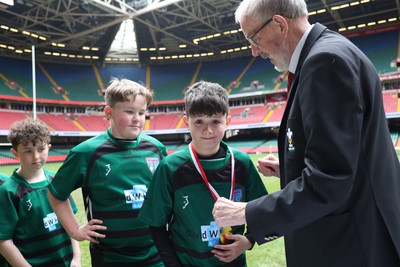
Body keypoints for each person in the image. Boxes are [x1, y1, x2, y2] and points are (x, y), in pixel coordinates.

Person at [212, 0, 400, 266]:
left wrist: (247, 212)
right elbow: (349, 156)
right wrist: (292, 166)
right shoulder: (331, 50)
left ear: (279, 24)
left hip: (349, 246)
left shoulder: (324, 62)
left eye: (253, 37)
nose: (254, 51)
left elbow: (330, 180)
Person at [139, 81, 268, 267]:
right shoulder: (170, 168)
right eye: (199, 121)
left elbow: (262, 212)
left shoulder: (242, 163)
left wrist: (249, 240)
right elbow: (156, 226)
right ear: (186, 122)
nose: (208, 130)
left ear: (228, 122)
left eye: (215, 121)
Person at [48, 78, 167, 267]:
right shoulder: (86, 153)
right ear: (108, 113)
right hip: (110, 257)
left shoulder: (156, 149)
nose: (137, 118)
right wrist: (75, 230)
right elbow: (56, 194)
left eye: (142, 112)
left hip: (156, 255)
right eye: (129, 111)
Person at [0, 119, 81, 267]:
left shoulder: (57, 180)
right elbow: (4, 240)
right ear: (15, 153)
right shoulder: (8, 191)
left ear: (49, 148)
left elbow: (71, 224)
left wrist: (76, 258)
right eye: (28, 151)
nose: (36, 156)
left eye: (41, 149)